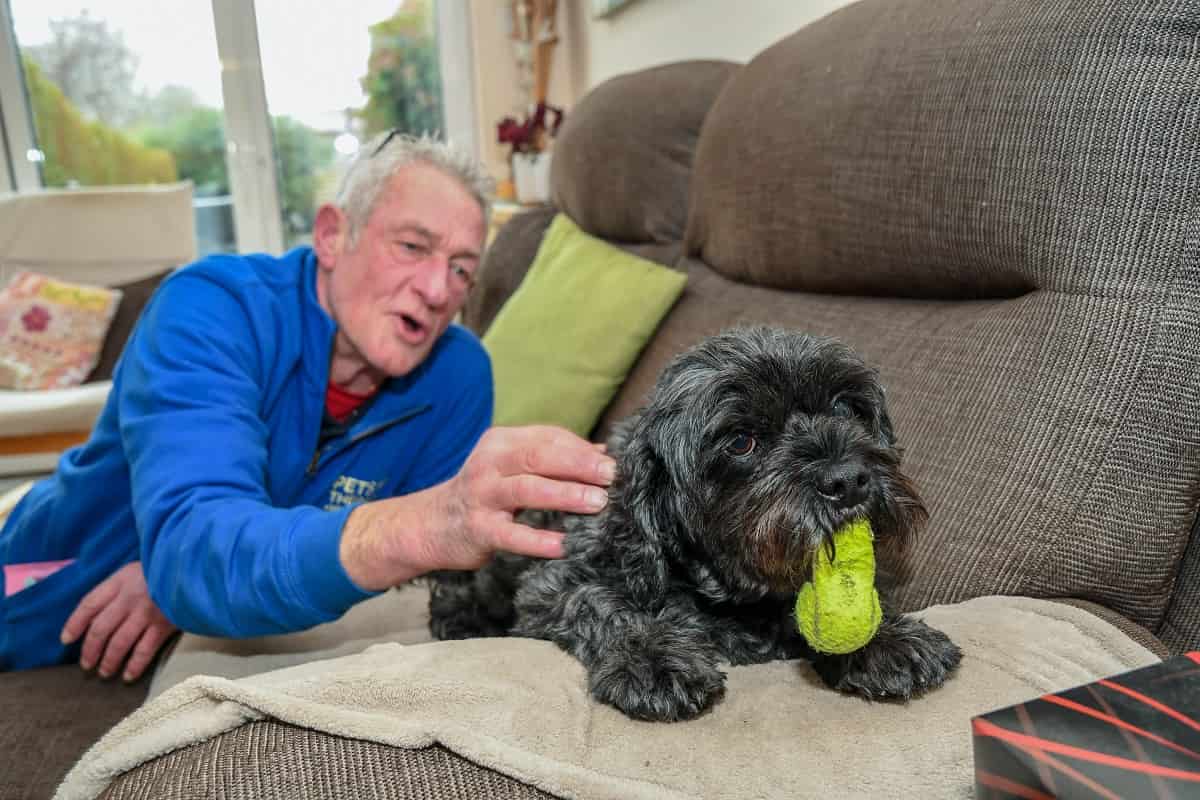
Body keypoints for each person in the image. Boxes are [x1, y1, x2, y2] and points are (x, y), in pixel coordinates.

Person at [0, 132, 615, 679]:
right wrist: (182, 573)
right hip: (51, 587)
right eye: (411, 246)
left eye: (460, 270)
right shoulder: (210, 309)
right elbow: (195, 546)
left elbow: (421, 587)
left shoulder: (459, 376)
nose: (436, 290)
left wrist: (199, 582)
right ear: (331, 235)